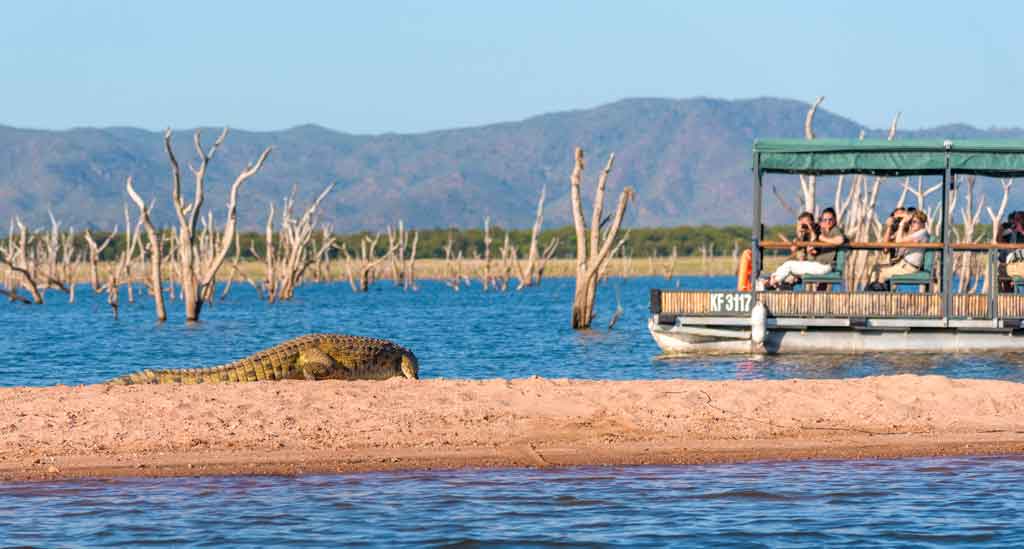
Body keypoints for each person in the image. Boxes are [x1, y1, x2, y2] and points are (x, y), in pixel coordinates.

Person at [766, 208, 846, 289]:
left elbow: (840, 240)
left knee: (789, 265)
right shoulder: (824, 231)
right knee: (788, 267)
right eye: (825, 220)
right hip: (818, 264)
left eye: (830, 219)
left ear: (835, 220)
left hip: (823, 266)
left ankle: (770, 283)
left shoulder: (834, 230)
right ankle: (773, 281)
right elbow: (797, 249)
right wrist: (800, 232)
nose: (827, 222)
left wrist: (821, 238)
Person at [868, 209, 929, 289]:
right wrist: (891, 224)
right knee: (877, 268)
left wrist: (902, 224)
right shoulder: (919, 233)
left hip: (908, 267)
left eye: (914, 222)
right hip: (904, 265)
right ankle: (872, 293)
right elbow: (885, 249)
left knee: (881, 274)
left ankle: (877, 296)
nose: (911, 224)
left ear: (922, 223)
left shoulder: (921, 234)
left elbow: (898, 242)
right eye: (911, 222)